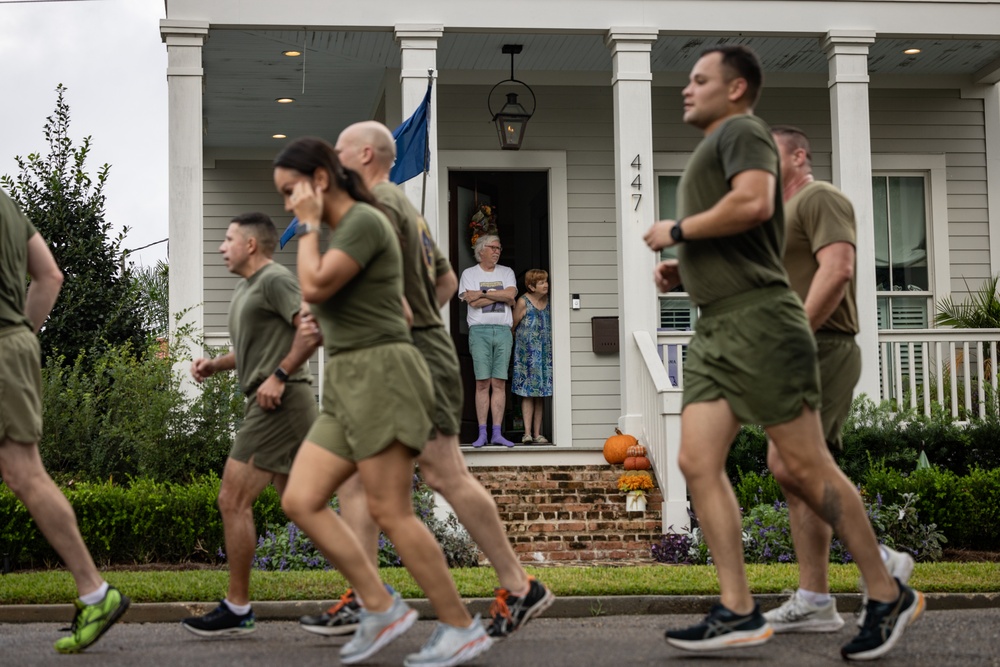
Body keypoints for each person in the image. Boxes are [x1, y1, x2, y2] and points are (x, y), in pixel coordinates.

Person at [643, 45, 924, 661]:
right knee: (695, 460)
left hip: (761, 328)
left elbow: (753, 204)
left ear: (738, 88)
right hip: (717, 327)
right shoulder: (720, 147)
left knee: (803, 466)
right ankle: (738, 609)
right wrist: (688, 273)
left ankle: (884, 588)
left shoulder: (742, 133)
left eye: (700, 79)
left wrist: (679, 231)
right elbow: (759, 248)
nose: (686, 89)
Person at [295, 120, 553, 640]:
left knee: (443, 474)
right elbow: (448, 281)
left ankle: (517, 586)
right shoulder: (398, 207)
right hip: (395, 360)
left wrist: (401, 328)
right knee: (352, 477)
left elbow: (359, 286)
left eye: (340, 152)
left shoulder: (382, 206)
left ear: (365, 154)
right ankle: (367, 595)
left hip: (412, 362)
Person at [273, 136, 493, 667]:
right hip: (348, 383)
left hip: (383, 380)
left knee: (390, 510)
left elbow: (318, 283)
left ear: (319, 181)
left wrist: (306, 232)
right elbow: (389, 301)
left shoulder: (366, 222)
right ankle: (379, 603)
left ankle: (461, 626)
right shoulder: (348, 232)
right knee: (300, 500)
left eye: (290, 191)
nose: (287, 204)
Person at [762, 126, 914, 633]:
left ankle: (883, 572)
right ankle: (815, 598)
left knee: (797, 462)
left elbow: (840, 267)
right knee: (794, 473)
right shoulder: (776, 216)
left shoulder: (820, 197)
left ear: (798, 156)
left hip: (821, 346)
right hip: (792, 353)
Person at [0, 189, 129, 653]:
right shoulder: (6, 204)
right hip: (11, 345)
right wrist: (20, 336)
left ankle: (96, 591)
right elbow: (50, 275)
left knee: (23, 473)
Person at [181, 212, 320, 637]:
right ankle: (371, 591)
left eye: (227, 239)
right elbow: (255, 351)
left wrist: (279, 376)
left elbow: (311, 330)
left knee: (232, 499)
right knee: (301, 506)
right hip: (272, 397)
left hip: (278, 401)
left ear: (251, 245)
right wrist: (215, 365)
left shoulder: (274, 280)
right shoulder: (246, 289)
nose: (221, 247)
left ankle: (237, 607)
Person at [459, 235, 517, 447]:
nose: (497, 251)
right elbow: (471, 302)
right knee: (482, 382)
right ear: (481, 250)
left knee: (499, 382)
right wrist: (498, 295)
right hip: (479, 331)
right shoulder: (469, 274)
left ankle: (497, 433)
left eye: (499, 248)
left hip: (503, 331)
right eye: (493, 247)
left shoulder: (507, 272)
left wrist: (482, 292)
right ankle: (482, 433)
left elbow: (511, 296)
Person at [512, 268, 552, 444]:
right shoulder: (523, 302)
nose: (546, 285)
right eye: (541, 282)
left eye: (546, 281)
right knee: (527, 393)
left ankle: (538, 434)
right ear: (531, 286)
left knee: (540, 393)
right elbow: (512, 326)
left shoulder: (550, 302)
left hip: (544, 355)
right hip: (526, 354)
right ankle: (527, 433)